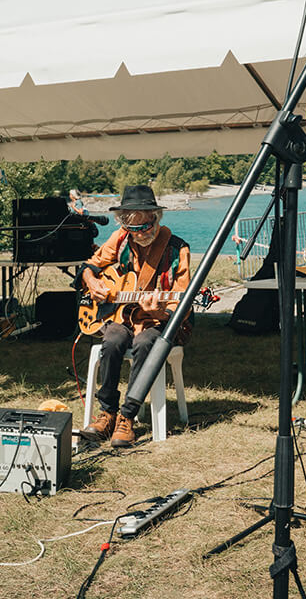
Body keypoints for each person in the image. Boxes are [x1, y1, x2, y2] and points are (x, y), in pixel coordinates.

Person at [77, 185, 190, 448]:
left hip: (159, 320)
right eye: (133, 229)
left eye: (146, 227)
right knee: (113, 339)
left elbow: (180, 302)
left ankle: (127, 415)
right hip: (124, 316)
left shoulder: (177, 249)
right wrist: (91, 281)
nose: (140, 234)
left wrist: (158, 310)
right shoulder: (120, 238)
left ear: (156, 218)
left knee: (144, 343)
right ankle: (107, 413)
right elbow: (90, 265)